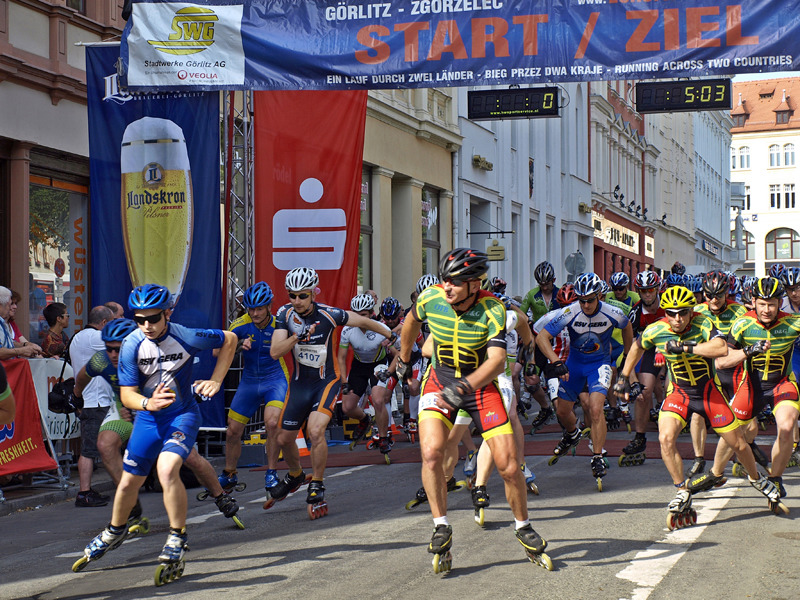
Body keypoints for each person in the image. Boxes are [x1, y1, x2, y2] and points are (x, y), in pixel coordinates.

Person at [399, 248, 550, 569]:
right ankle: (441, 525)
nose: (448, 286)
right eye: (445, 280)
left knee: (509, 466)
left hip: (480, 387)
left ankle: (523, 525)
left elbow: (496, 363)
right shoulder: (431, 298)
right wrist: (403, 356)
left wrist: (465, 387)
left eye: (456, 281)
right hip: (439, 381)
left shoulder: (492, 309)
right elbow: (411, 321)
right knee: (431, 452)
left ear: (474, 284)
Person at [77, 284, 237, 570]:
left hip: (181, 416)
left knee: (167, 469)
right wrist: (148, 404)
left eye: (153, 318)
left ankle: (177, 536)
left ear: (167, 313)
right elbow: (127, 395)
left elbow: (230, 339)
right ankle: (116, 529)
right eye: (140, 319)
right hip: (149, 418)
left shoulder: (185, 335)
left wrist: (216, 379)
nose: (146, 326)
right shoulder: (131, 345)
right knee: (128, 482)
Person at [615, 286, 780, 526]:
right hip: (679, 392)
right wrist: (623, 377)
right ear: (665, 313)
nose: (678, 319)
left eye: (683, 313)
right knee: (666, 438)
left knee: (739, 444)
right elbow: (637, 347)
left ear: (691, 311)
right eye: (672, 313)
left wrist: (684, 347)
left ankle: (756, 478)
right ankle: (682, 489)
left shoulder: (702, 324)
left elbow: (721, 348)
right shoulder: (656, 329)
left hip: (708, 393)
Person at [72, 318, 242, 524]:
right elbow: (82, 377)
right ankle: (130, 501)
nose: (114, 355)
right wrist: (77, 396)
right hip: (127, 408)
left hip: (158, 410)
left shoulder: (149, 353)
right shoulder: (101, 360)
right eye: (109, 349)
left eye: (119, 349)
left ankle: (219, 495)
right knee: (104, 444)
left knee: (190, 458)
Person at [267, 268, 394, 514]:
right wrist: (297, 337)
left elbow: (365, 321)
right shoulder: (284, 313)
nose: (297, 301)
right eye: (292, 295)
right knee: (283, 438)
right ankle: (295, 475)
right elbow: (275, 351)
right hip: (299, 384)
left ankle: (317, 483)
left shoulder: (329, 314)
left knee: (315, 431)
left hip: (326, 382)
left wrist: (392, 335)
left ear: (313, 293)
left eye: (302, 295)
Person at [537, 272, 632, 485]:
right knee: (562, 411)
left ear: (599, 295)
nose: (586, 305)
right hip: (574, 365)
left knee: (596, 409)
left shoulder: (612, 312)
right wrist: (555, 361)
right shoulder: (570, 312)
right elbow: (542, 337)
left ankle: (597, 456)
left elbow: (627, 327)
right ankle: (573, 433)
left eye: (590, 300)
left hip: (599, 365)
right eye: (582, 300)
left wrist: (627, 355)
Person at [711, 277, 800, 500]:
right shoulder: (743, 324)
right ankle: (715, 473)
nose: (767, 310)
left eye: (772, 304)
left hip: (782, 383)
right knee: (732, 432)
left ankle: (776, 479)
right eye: (762, 304)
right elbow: (722, 361)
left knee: (787, 426)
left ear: (780, 302)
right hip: (751, 386)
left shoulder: (793, 322)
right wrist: (749, 350)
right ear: (753, 301)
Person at [220, 282, 289, 492]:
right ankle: (230, 473)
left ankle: (271, 471)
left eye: (259, 308)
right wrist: (238, 346)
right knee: (232, 431)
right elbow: (218, 353)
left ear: (269, 306)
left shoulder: (280, 324)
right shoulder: (240, 325)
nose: (255, 313)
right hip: (250, 381)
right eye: (251, 309)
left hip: (275, 379)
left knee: (272, 423)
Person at [688, 271, 747, 477]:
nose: (713, 300)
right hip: (708, 370)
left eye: (718, 295)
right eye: (708, 295)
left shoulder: (739, 310)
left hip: (735, 371)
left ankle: (738, 456)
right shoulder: (696, 311)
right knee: (697, 415)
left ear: (727, 293)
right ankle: (698, 458)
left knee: (744, 419)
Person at [338, 293, 395, 458]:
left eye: (363, 315)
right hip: (359, 366)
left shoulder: (381, 329)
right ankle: (365, 419)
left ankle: (383, 437)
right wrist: (344, 381)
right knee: (347, 407)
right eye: (356, 315)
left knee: (377, 400)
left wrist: (389, 372)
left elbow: (398, 354)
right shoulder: (348, 329)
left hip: (378, 365)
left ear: (371, 313)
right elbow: (341, 358)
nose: (360, 319)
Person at [69, 305, 115, 507]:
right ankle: (84, 492)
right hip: (94, 401)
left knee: (104, 445)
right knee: (89, 449)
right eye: (113, 323)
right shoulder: (93, 338)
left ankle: (89, 490)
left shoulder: (80, 337)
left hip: (94, 400)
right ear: (104, 323)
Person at [621, 270, 665, 464]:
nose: (648, 295)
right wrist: (633, 381)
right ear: (638, 292)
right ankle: (640, 438)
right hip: (648, 349)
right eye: (644, 291)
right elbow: (629, 349)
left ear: (657, 289)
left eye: (651, 290)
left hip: (675, 346)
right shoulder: (635, 313)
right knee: (643, 393)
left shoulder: (668, 304)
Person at [0, 287, 41, 359]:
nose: (14, 307)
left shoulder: (5, 324)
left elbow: (9, 344)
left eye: (15, 304)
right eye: (10, 304)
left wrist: (27, 346)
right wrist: (21, 350)